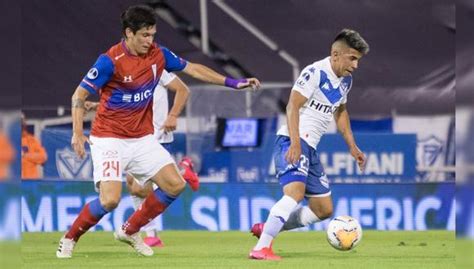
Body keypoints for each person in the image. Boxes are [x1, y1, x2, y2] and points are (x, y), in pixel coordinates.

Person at [56, 5, 260, 258]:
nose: (149, 41)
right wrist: (77, 132)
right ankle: (69, 238)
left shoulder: (158, 55)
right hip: (109, 139)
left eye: (152, 34)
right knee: (110, 200)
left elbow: (193, 69)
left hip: (142, 138)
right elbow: (79, 94)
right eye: (144, 35)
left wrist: (233, 82)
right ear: (129, 33)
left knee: (175, 185)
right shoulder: (109, 61)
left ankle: (130, 230)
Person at [248, 29, 369, 260]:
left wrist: (353, 147)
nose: (355, 65)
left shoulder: (346, 81)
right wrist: (295, 142)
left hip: (310, 147)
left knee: (324, 209)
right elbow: (292, 106)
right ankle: (261, 248)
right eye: (352, 58)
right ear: (335, 55)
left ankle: (269, 228)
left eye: (358, 60)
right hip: (292, 140)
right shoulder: (315, 72)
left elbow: (341, 112)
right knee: (294, 193)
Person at [84, 69, 198, 247]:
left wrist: (172, 115)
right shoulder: (129, 73)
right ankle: (151, 234)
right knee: (133, 187)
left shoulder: (157, 68)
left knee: (140, 188)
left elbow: (183, 89)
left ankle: (183, 172)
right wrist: (97, 105)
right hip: (136, 136)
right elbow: (128, 104)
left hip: (156, 134)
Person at [21, 114, 48, 179]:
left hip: (29, 183)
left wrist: (25, 155)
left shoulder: (32, 140)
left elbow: (43, 157)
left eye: (21, 121)